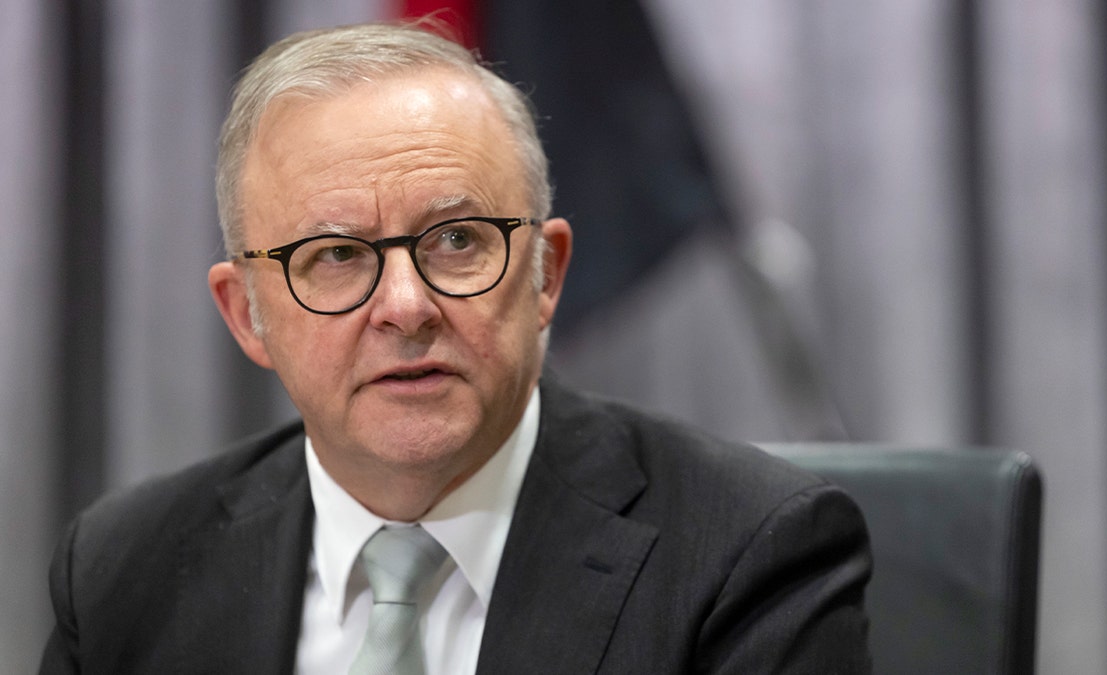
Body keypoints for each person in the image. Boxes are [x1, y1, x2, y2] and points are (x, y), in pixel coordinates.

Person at [40, 21, 871, 674]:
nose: (406, 307)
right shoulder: (125, 569)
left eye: (458, 240)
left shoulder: (751, 554)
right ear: (248, 315)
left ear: (546, 275)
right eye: (335, 255)